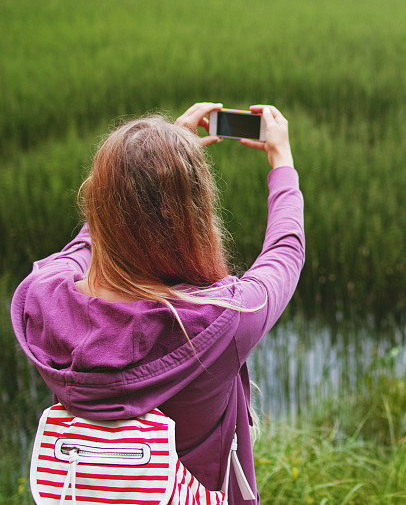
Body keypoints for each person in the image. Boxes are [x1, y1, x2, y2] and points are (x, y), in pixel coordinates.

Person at [10, 102, 305, 504]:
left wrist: (138, 174)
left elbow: (87, 241)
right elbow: (285, 254)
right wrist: (281, 161)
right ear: (194, 213)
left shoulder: (44, 300)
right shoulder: (221, 319)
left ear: (98, 202)